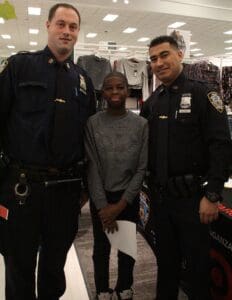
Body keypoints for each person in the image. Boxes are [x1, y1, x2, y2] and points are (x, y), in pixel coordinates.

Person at [0, 3, 95, 300]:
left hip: (65, 193)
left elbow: (87, 140)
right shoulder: (19, 66)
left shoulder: (84, 82)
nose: (67, 31)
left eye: (73, 27)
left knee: (55, 266)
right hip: (21, 189)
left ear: (78, 33)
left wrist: (85, 187)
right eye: (61, 24)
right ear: (48, 26)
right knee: (18, 264)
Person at [140, 35, 231, 300]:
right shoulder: (153, 101)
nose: (159, 63)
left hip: (193, 200)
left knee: (197, 266)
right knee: (165, 262)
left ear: (179, 54)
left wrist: (212, 194)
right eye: (154, 59)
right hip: (161, 198)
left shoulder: (204, 93)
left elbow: (221, 146)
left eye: (164, 55)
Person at [84, 71, 148, 300]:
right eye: (109, 88)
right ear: (103, 93)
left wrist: (120, 205)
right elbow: (91, 166)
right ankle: (102, 289)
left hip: (127, 199)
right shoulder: (92, 123)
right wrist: (103, 206)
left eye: (119, 87)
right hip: (100, 196)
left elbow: (141, 168)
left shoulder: (141, 125)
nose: (115, 92)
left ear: (127, 91)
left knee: (126, 248)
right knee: (101, 247)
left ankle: (124, 287)